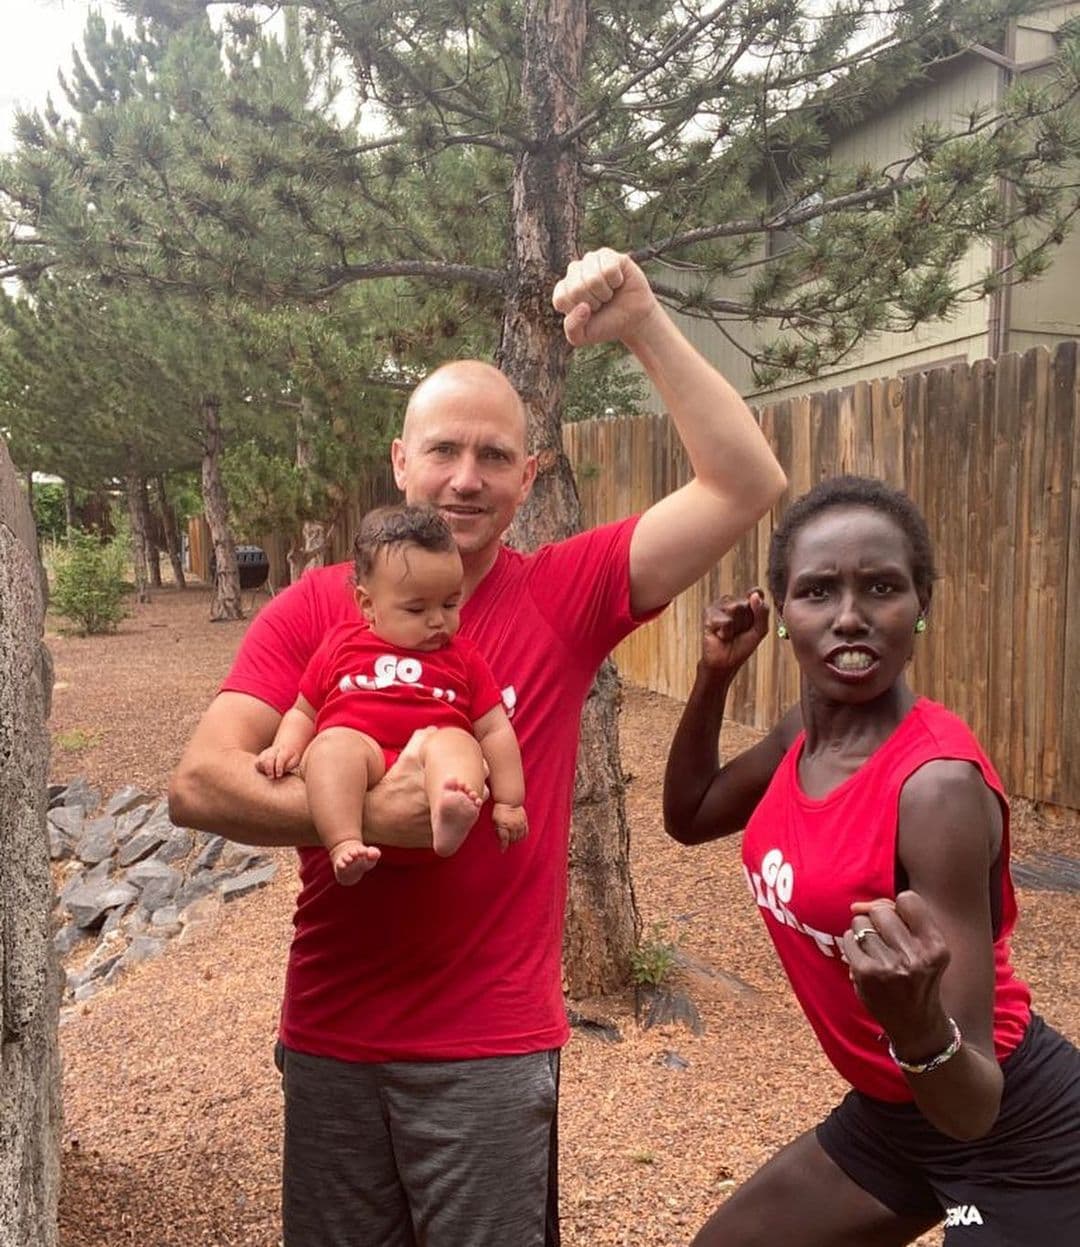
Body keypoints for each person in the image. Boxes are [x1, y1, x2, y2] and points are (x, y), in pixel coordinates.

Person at [168, 246, 787, 1247]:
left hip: (490, 1048)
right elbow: (198, 781)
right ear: (400, 460)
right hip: (332, 1034)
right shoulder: (316, 607)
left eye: (495, 455)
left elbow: (745, 480)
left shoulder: (565, 594)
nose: (466, 477)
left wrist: (641, 323)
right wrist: (370, 815)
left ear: (528, 474)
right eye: (444, 450)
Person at [663, 475, 1080, 1247]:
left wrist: (915, 1021)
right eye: (818, 591)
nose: (849, 616)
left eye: (881, 587)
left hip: (1018, 1137)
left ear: (922, 602)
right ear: (782, 612)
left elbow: (972, 1104)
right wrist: (716, 671)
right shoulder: (803, 733)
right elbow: (689, 816)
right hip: (895, 1117)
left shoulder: (936, 788)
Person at [255, 504, 527, 882]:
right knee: (331, 747)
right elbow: (304, 711)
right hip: (362, 748)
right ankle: (344, 842)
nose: (438, 620)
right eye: (416, 609)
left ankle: (450, 810)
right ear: (368, 605)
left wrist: (510, 801)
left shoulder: (464, 658)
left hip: (432, 747)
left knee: (459, 744)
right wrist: (286, 746)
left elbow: (495, 730)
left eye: (450, 603)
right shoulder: (340, 646)